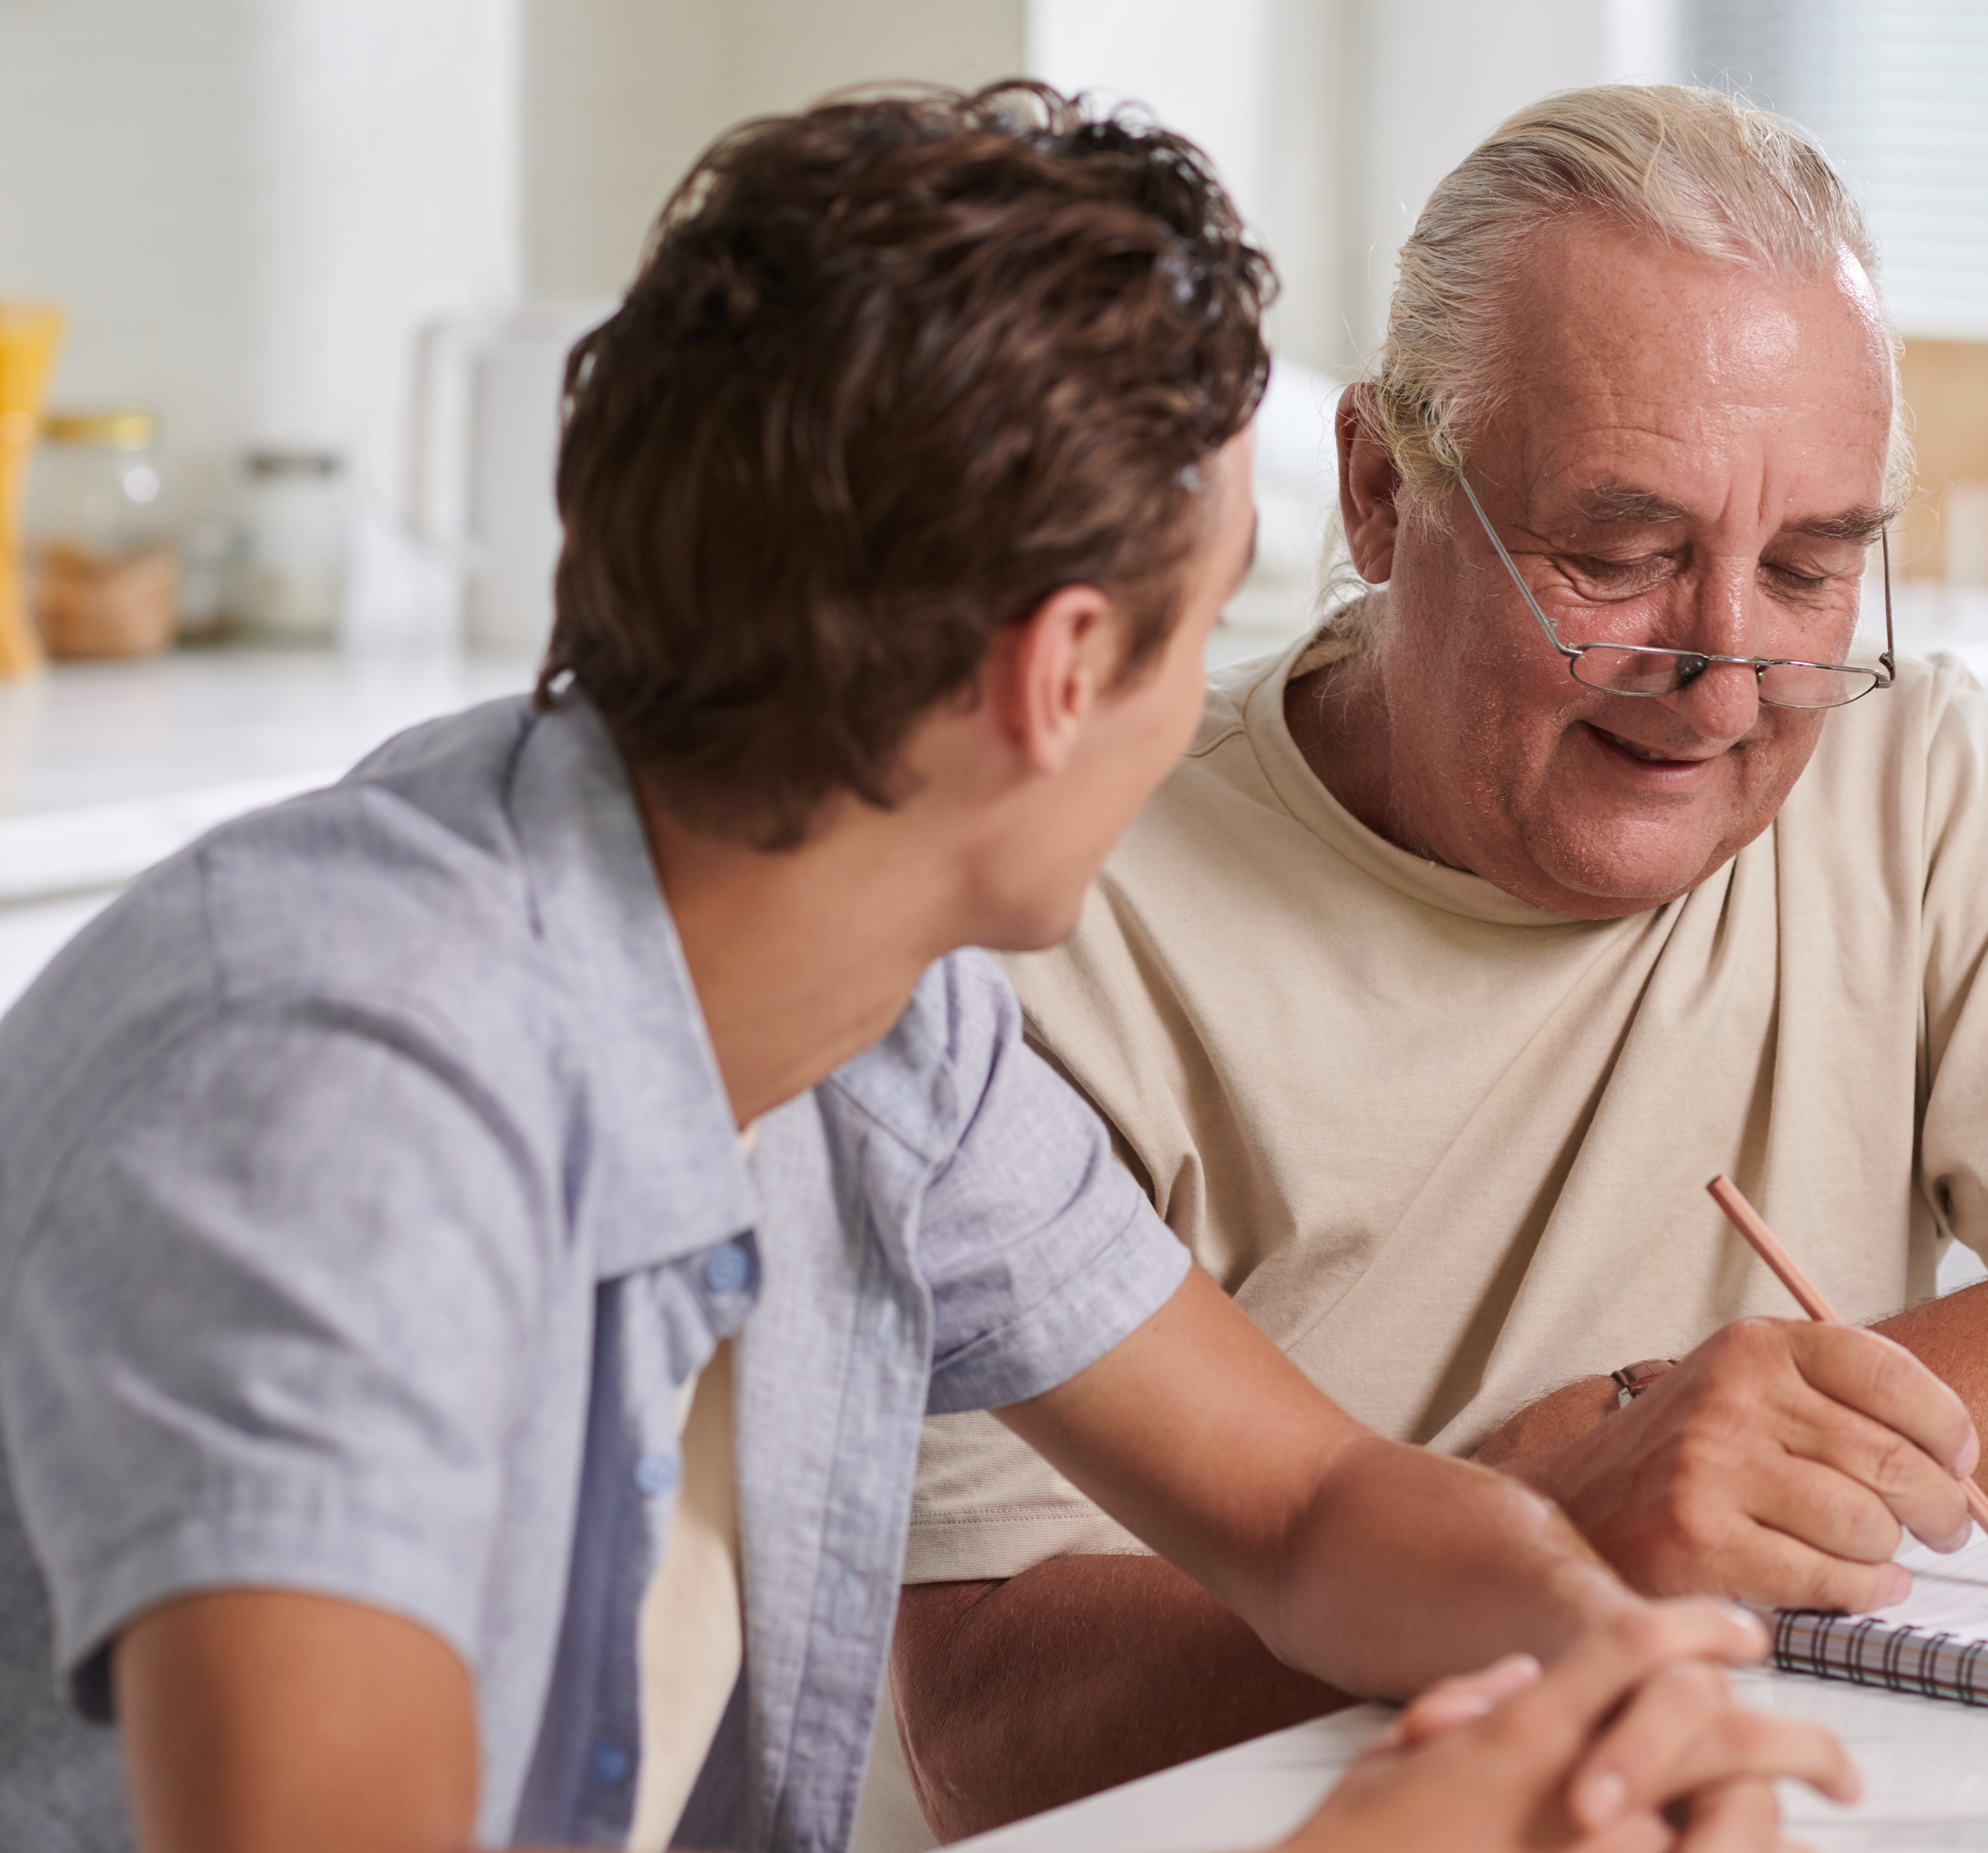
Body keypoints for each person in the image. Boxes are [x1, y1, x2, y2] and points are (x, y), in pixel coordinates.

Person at [0, 85, 1861, 1853]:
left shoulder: (874, 1018)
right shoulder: (330, 1115)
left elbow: (1306, 1512)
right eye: (1208, 624)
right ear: (1061, 676)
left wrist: (1602, 1668)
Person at [892, 82, 1988, 1835]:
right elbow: (981, 1725)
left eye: (1811, 569)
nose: (1730, 678)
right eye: (1621, 554)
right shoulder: (1064, 904)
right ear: (1383, 491)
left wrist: (1718, 1437)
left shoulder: (1904, 773)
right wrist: (1561, 1513)